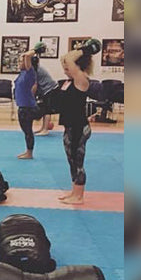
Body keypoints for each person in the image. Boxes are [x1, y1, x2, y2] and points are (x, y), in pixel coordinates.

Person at [56, 39, 101, 205]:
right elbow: (66, 59)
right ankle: (74, 192)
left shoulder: (81, 78)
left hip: (78, 127)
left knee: (78, 162)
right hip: (70, 127)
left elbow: (67, 58)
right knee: (71, 160)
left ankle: (79, 196)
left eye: (68, 66)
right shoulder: (70, 81)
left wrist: (85, 49)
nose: (65, 68)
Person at [14, 49, 39, 159]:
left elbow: (28, 56)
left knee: (28, 131)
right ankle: (28, 151)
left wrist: (32, 51)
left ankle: (30, 153)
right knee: (26, 131)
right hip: (23, 106)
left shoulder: (30, 72)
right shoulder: (23, 73)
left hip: (27, 107)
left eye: (21, 61)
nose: (19, 63)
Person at [32, 54, 60, 136]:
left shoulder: (35, 70)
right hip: (46, 90)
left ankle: (45, 129)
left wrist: (32, 97)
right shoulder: (36, 68)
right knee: (45, 108)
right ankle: (43, 128)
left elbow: (35, 85)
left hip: (50, 89)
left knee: (47, 110)